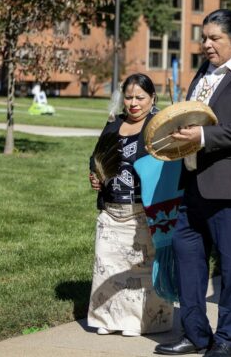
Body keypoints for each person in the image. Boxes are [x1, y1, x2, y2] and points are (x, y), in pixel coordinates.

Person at [154, 10, 231, 357]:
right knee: (187, 259)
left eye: (214, 39)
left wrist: (204, 136)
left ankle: (227, 341)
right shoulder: (206, 71)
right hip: (194, 184)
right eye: (204, 38)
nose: (206, 45)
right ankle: (196, 334)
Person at [87, 73, 173, 337]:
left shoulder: (158, 126)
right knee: (107, 264)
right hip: (112, 209)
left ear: (152, 98)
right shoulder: (114, 123)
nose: (133, 103)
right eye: (129, 97)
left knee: (140, 269)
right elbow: (97, 156)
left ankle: (139, 322)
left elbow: (169, 164)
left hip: (142, 211)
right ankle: (107, 318)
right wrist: (94, 175)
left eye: (140, 97)